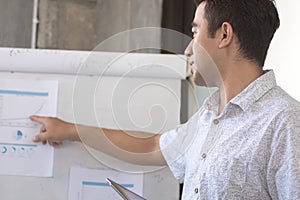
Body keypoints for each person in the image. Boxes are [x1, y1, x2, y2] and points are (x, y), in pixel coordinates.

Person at [30, 0, 300, 199]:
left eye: (195, 33)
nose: (187, 48)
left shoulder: (285, 122)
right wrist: (69, 130)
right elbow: (152, 145)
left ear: (224, 35)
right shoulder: (208, 118)